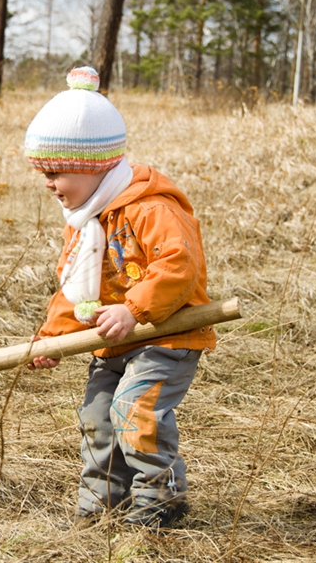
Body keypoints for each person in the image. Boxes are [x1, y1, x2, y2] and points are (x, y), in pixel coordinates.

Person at [23, 66, 216, 529]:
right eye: (43, 173)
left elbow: (178, 267)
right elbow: (78, 287)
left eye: (55, 172)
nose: (48, 183)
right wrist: (52, 337)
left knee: (134, 410)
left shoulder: (153, 208)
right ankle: (100, 506)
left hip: (166, 335)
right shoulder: (87, 221)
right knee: (96, 417)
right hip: (115, 339)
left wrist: (133, 309)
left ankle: (158, 506)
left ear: (93, 167)